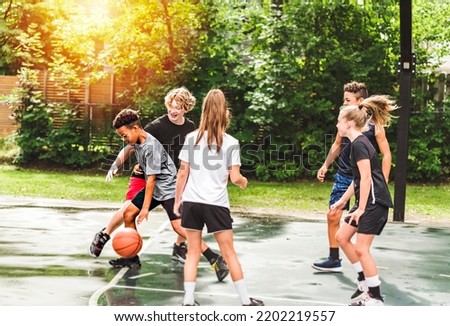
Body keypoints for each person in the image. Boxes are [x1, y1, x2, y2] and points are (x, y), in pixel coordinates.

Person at [93, 105, 228, 282]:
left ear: (135, 128)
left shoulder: (151, 147)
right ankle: (132, 258)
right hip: (158, 188)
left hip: (168, 188)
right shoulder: (137, 141)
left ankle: (215, 259)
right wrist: (115, 165)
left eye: (124, 135)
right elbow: (142, 171)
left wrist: (145, 209)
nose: (124, 139)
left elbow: (151, 180)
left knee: (179, 227)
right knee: (128, 213)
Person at [174, 89, 264, 306]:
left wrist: (178, 200)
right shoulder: (231, 142)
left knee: (193, 251)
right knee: (229, 252)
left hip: (192, 202)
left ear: (204, 110)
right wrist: (243, 181)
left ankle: (188, 300)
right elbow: (235, 178)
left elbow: (183, 172)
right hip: (216, 204)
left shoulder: (191, 138)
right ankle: (245, 301)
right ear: (225, 112)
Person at [312, 81, 391, 275]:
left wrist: (382, 182)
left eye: (347, 100)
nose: (344, 103)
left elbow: (386, 155)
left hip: (364, 178)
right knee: (333, 214)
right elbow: (337, 145)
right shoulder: (344, 122)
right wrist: (325, 164)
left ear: (360, 101)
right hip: (345, 176)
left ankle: (364, 267)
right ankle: (334, 258)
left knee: (362, 221)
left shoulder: (374, 126)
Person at [331, 95, 396, 306]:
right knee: (342, 236)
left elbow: (367, 178)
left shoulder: (359, 145)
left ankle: (375, 297)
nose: (337, 124)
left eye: (339, 120)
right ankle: (363, 282)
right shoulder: (357, 143)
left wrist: (359, 208)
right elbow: (358, 179)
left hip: (374, 203)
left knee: (361, 249)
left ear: (348, 123)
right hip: (368, 201)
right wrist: (342, 201)